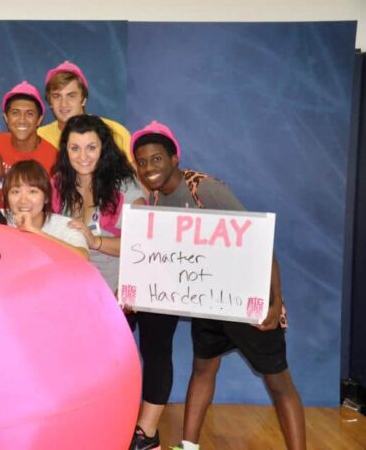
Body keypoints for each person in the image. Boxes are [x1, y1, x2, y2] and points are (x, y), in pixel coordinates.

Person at [130, 121, 305, 450]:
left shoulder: (204, 188)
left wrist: (275, 301)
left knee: (278, 382)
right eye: (142, 161)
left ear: (174, 159)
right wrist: (137, 290)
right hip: (210, 301)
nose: (149, 167)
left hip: (248, 302)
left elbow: (259, 243)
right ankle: (189, 446)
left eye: (156, 159)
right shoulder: (156, 200)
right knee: (202, 370)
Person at [52, 114, 145, 293]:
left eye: (91, 148)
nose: (83, 156)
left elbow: (139, 245)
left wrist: (95, 242)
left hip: (113, 297)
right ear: (66, 150)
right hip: (71, 292)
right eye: (75, 148)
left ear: (103, 148)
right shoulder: (57, 185)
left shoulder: (124, 187)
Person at [38, 60, 133, 162]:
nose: (63, 104)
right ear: (50, 102)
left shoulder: (115, 132)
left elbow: (131, 175)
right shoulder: (38, 137)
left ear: (83, 99)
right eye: (57, 96)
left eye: (71, 96)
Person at [0, 81, 59, 207]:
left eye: (29, 114)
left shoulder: (53, 157)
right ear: (6, 118)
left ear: (39, 119)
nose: (22, 120)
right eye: (15, 113)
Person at [3, 160, 88, 259]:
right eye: (16, 191)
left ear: (47, 197)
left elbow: (83, 258)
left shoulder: (65, 225)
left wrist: (34, 232)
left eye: (32, 191)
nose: (23, 200)